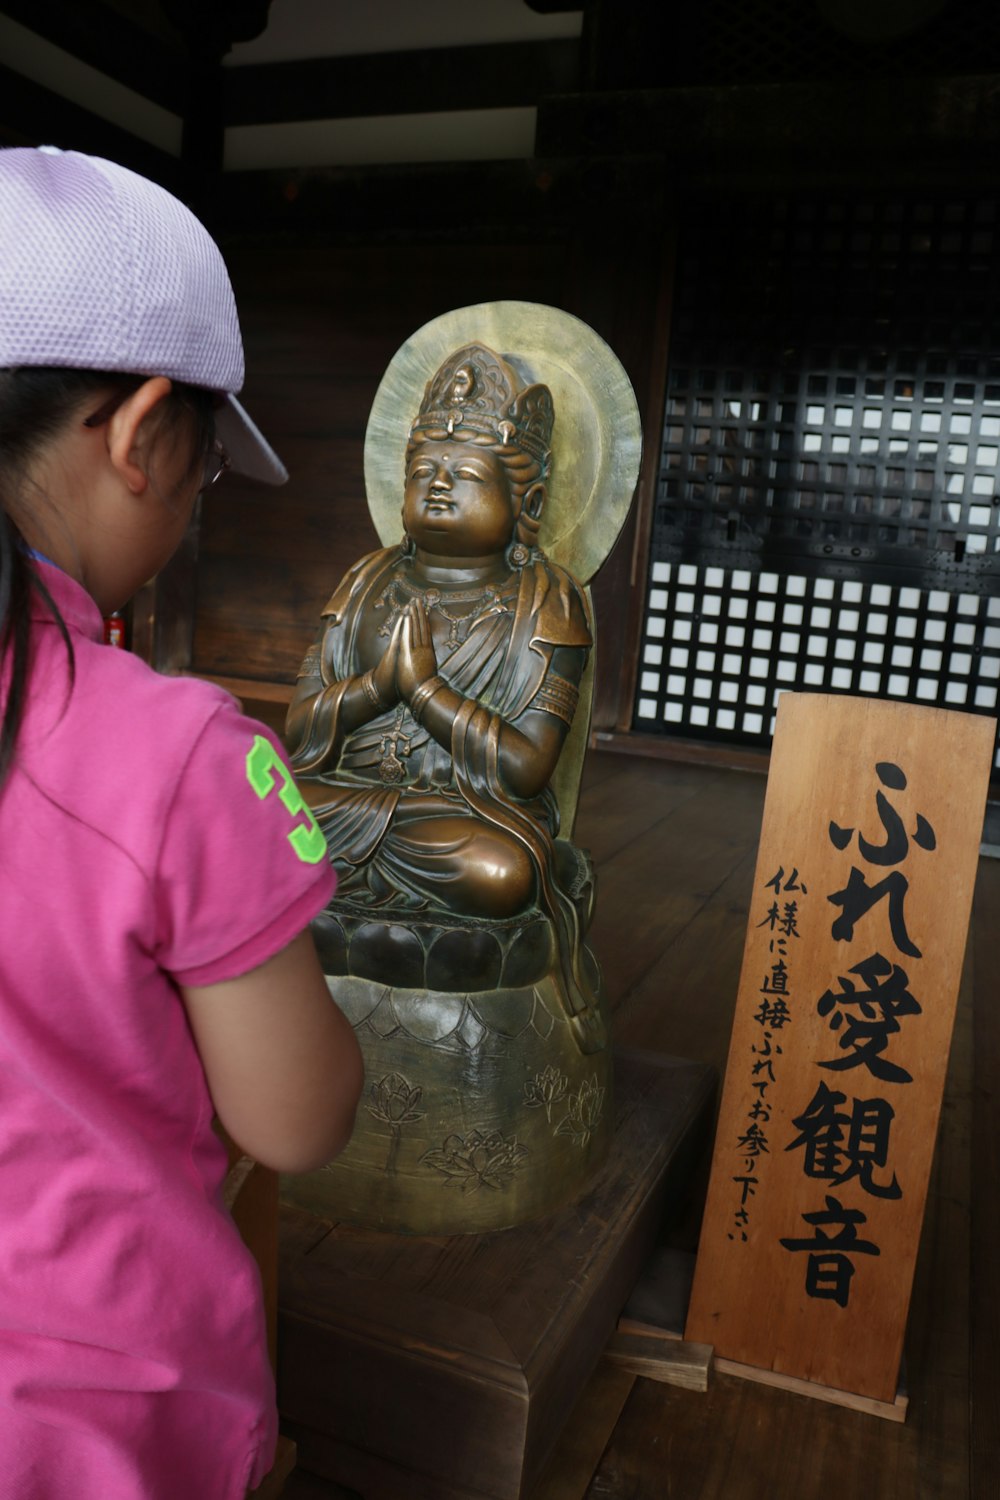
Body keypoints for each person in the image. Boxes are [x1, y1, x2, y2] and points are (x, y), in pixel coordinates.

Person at [0, 146, 363, 1498]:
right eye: (208, 468)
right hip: (96, 1421)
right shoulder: (176, 745)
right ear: (145, 433)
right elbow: (297, 1119)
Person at [286, 342, 604, 1050]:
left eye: (464, 475)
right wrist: (376, 688)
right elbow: (299, 730)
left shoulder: (548, 603)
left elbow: (525, 771)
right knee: (261, 813)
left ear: (527, 501)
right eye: (423, 470)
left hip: (460, 819)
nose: (437, 486)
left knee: (502, 874)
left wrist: (425, 690)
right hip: (343, 801)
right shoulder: (364, 581)